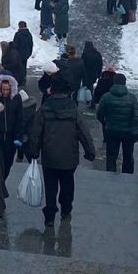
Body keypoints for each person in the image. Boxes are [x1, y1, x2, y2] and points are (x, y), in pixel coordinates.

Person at [23, 76, 95, 225]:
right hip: (70, 156)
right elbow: (83, 132)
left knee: (51, 186)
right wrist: (89, 151)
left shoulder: (44, 109)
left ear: (52, 91)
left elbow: (36, 132)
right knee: (68, 183)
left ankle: (50, 214)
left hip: (49, 156)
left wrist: (32, 152)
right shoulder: (73, 110)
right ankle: (66, 208)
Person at [96, 72, 138, 173]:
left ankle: (110, 176)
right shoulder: (132, 98)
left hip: (112, 130)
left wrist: (105, 123)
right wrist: (135, 132)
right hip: (128, 132)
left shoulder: (106, 97)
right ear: (125, 83)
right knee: (128, 156)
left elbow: (99, 114)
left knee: (111, 155)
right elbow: (137, 117)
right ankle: (127, 176)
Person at [80, 40, 103, 104]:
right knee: (91, 86)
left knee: (86, 86)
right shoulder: (97, 53)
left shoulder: (85, 54)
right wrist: (99, 74)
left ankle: (90, 100)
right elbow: (100, 64)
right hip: (94, 74)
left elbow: (82, 64)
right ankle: (90, 100)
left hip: (86, 73)